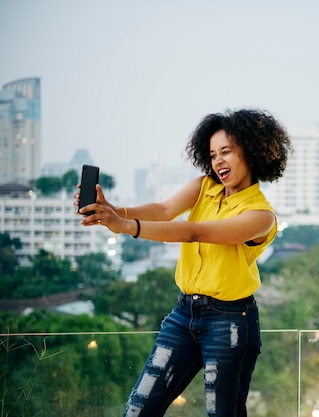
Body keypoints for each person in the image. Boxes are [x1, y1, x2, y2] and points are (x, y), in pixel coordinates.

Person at [76, 108, 291, 417]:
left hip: (230, 321)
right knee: (139, 408)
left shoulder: (261, 216)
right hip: (183, 314)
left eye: (226, 152)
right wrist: (112, 210)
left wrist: (125, 227)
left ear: (252, 151)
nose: (217, 161)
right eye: (213, 153)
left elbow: (194, 232)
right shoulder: (204, 187)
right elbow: (163, 211)